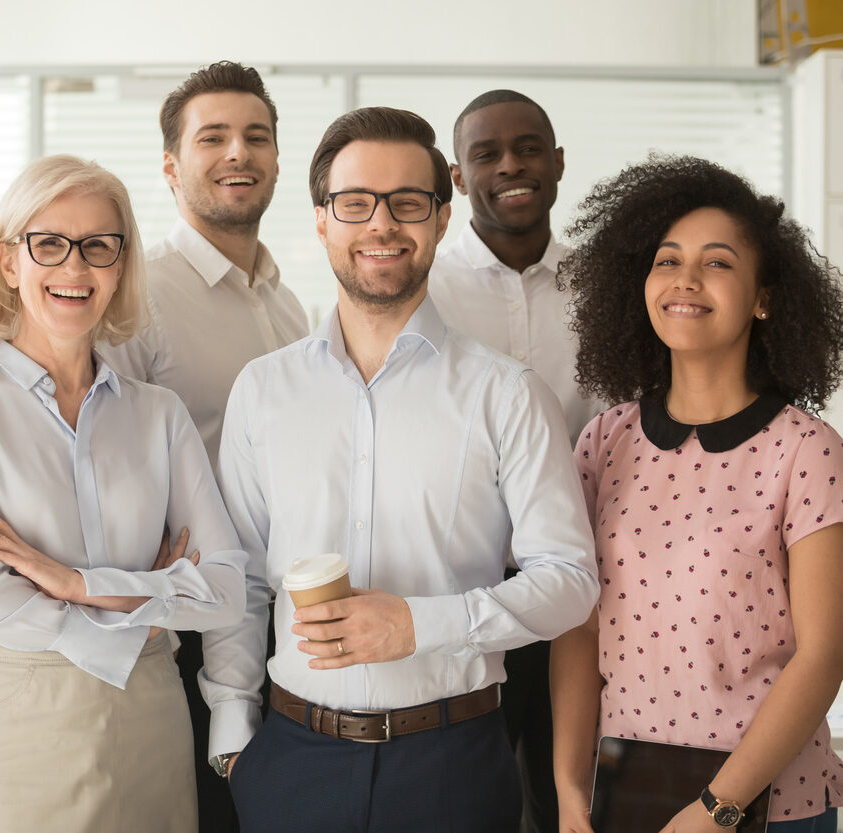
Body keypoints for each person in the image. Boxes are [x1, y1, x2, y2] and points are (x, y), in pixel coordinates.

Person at [200, 106, 598, 833]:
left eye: (407, 202)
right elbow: (241, 577)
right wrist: (234, 729)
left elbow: (570, 582)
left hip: (454, 764)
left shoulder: (508, 393)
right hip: (289, 762)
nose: (381, 225)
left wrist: (423, 625)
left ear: (442, 217)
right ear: (321, 219)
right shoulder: (263, 390)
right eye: (354, 203)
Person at [0, 155, 248, 833]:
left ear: (121, 265)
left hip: (149, 709)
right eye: (49, 244)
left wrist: (75, 582)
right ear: (10, 262)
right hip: (15, 715)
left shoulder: (159, 414)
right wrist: (142, 599)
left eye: (99, 246)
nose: (75, 267)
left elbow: (227, 589)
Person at [552, 156, 843, 833]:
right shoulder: (603, 440)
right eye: (667, 260)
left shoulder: (808, 450)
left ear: (764, 296)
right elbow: (580, 626)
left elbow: (824, 652)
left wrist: (718, 809)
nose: (685, 279)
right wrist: (569, 787)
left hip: (769, 808)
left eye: (717, 263)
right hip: (624, 797)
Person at [100, 61, 309, 832]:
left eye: (256, 137)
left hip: (279, 620)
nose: (238, 153)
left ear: (279, 159)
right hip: (177, 629)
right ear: (170, 165)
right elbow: (100, 455)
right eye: (213, 136)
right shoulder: (135, 294)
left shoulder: (289, 306)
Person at [430, 89, 600, 833]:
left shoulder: (604, 289)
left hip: (585, 594)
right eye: (486, 154)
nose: (512, 166)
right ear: (458, 178)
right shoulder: (421, 288)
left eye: (529, 147)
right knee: (470, 798)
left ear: (558, 161)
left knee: (573, 799)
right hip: (467, 591)